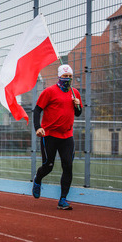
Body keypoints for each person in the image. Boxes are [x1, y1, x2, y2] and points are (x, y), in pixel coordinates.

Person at [32, 64, 82, 210]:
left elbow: (78, 113)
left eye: (70, 77)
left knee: (68, 166)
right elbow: (37, 110)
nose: (67, 79)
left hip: (67, 136)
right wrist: (38, 127)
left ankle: (63, 199)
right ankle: (38, 178)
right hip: (49, 135)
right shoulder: (49, 92)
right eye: (65, 76)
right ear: (59, 76)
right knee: (48, 165)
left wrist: (77, 105)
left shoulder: (75, 93)